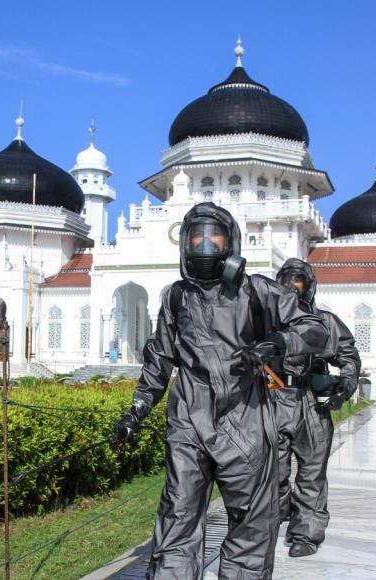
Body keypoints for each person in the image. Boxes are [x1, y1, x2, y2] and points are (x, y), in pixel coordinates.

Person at [110, 203, 328, 579]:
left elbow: (314, 329)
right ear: (185, 243)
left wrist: (277, 342)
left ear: (231, 243)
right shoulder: (176, 297)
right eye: (198, 237)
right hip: (189, 426)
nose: (206, 245)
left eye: (215, 237)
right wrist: (136, 411)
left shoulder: (256, 291)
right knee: (177, 519)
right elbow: (159, 361)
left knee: (251, 527)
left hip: (246, 424)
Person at [274, 258, 361, 558]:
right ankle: (278, 514)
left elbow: (348, 355)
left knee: (312, 471)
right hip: (272, 400)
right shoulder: (267, 322)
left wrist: (345, 386)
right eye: (286, 281)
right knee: (272, 470)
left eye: (297, 281)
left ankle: (306, 533)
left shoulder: (325, 322)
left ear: (309, 286)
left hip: (311, 402)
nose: (291, 287)